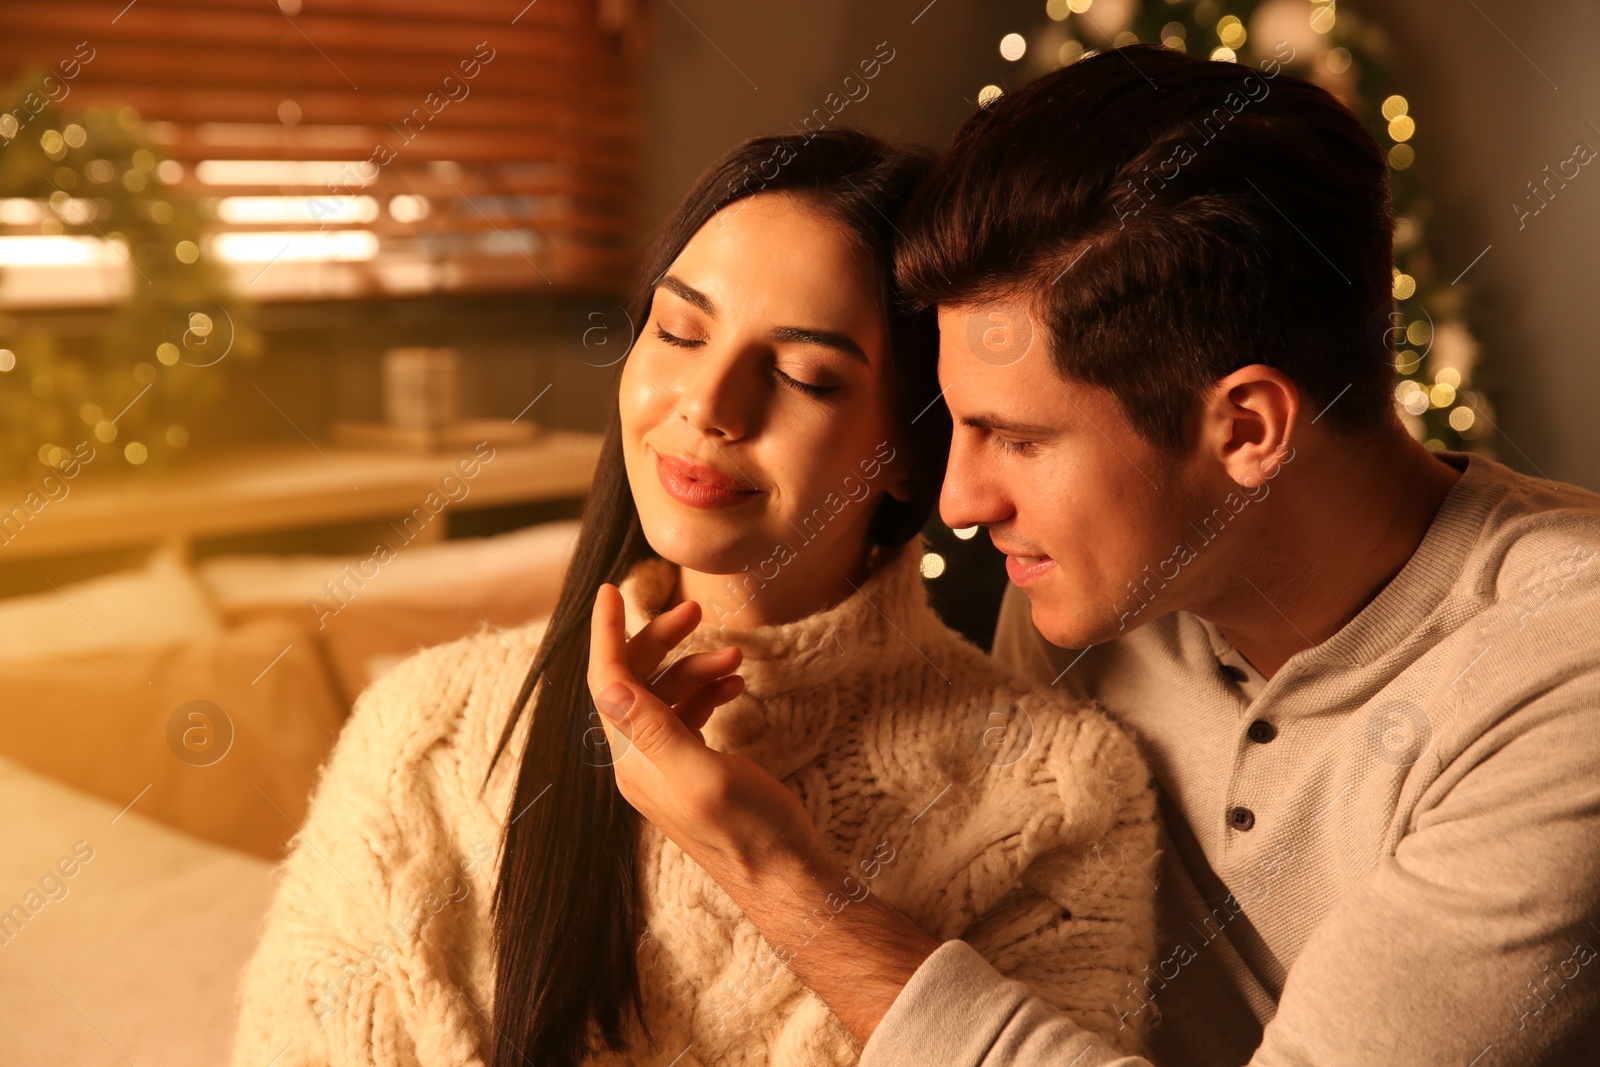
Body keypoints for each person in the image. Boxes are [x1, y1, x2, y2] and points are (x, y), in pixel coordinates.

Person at [586, 46, 1600, 1067]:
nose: (961, 499)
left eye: (1017, 439)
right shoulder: (1095, 598)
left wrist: (773, 871)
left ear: (1246, 427)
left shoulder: (1566, 671)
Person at [231, 129, 1161, 1067]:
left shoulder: (1060, 794)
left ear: (912, 452)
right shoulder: (424, 733)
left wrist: (777, 873)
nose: (711, 402)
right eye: (679, 331)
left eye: (806, 375)